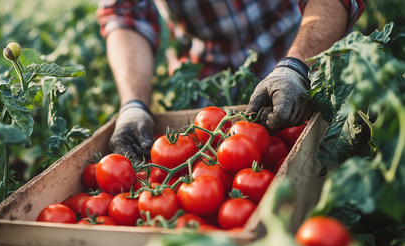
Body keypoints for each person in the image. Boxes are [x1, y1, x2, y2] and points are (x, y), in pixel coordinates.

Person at [96, 0, 365, 162]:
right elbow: (125, 13)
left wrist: (297, 66)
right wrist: (133, 104)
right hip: (209, 87)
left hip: (305, 49)